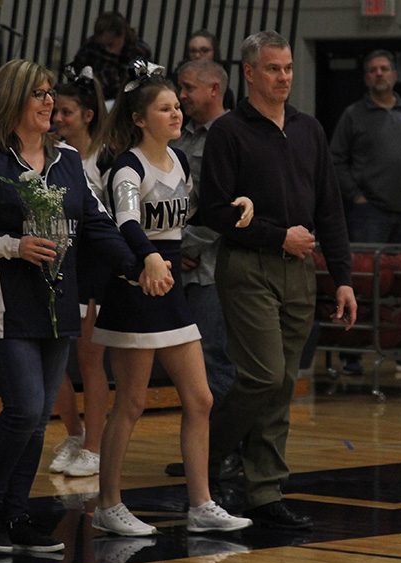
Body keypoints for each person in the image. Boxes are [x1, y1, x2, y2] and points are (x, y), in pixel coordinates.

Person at [0, 58, 173, 554]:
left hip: (56, 302)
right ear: (11, 100)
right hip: (1, 303)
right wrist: (11, 246)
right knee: (23, 408)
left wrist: (140, 263)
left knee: (41, 410)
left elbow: (97, 223)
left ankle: (16, 512)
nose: (50, 103)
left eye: (51, 94)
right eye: (39, 94)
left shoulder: (67, 160)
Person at [201, 31, 357, 529]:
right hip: (248, 266)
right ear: (249, 73)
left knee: (284, 382)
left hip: (301, 271)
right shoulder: (228, 131)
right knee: (264, 375)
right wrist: (276, 237)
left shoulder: (310, 129)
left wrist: (344, 278)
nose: (284, 76)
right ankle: (206, 451)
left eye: (288, 67)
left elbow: (330, 210)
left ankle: (265, 492)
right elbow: (213, 211)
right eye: (273, 68)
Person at [90, 61, 253, 537]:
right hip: (136, 291)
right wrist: (148, 259)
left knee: (200, 398)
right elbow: (126, 222)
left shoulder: (179, 160)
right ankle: (108, 504)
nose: (176, 114)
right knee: (132, 402)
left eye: (178, 107)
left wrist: (237, 207)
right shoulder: (127, 165)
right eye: (165, 108)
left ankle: (201, 503)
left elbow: (195, 212)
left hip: (171, 292)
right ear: (140, 118)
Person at [329, 49, 401, 376]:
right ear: (366, 77)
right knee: (364, 285)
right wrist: (357, 197)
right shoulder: (353, 115)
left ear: (394, 74)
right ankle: (352, 354)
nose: (379, 74)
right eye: (373, 70)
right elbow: (336, 160)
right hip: (369, 215)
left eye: (384, 69)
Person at [164, 59, 235, 479]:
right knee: (196, 367)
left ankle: (221, 452)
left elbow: (227, 204)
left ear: (213, 88)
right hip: (183, 265)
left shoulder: (228, 134)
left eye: (189, 88)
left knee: (215, 361)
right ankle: (203, 455)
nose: (182, 95)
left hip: (213, 267)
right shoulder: (183, 136)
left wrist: (189, 245)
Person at [48, 65, 112, 478]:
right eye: (56, 111)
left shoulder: (105, 160)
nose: (58, 120)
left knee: (90, 361)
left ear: (88, 115)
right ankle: (74, 432)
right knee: (52, 362)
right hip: (57, 267)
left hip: (93, 270)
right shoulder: (51, 157)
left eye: (66, 112)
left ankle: (94, 446)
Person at [71, 11, 152, 102]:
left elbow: (141, 84)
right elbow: (76, 71)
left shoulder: (138, 51)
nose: (106, 49)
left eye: (110, 44)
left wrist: (111, 58)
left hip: (127, 101)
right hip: (93, 98)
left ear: (122, 36)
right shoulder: (91, 46)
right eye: (103, 45)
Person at [179, 30, 235, 110]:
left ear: (215, 53)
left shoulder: (225, 92)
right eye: (193, 51)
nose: (197, 55)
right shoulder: (177, 82)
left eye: (204, 50)